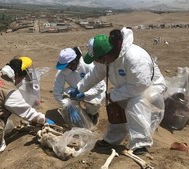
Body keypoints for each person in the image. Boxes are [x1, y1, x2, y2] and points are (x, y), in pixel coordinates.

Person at [69, 27, 166, 155]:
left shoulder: (134, 57)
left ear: (106, 55)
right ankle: (112, 140)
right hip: (128, 87)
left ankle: (140, 144)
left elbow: (139, 86)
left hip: (150, 88)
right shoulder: (107, 59)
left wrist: (113, 95)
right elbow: (96, 74)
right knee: (115, 107)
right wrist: (79, 88)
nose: (97, 62)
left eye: (98, 59)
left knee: (135, 104)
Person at [53, 47, 106, 127]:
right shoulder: (63, 70)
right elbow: (57, 91)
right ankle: (77, 112)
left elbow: (100, 87)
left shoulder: (88, 65)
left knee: (93, 104)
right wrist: (68, 107)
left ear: (74, 62)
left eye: (68, 66)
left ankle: (93, 114)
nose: (67, 68)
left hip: (93, 90)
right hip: (74, 89)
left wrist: (84, 94)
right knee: (66, 98)